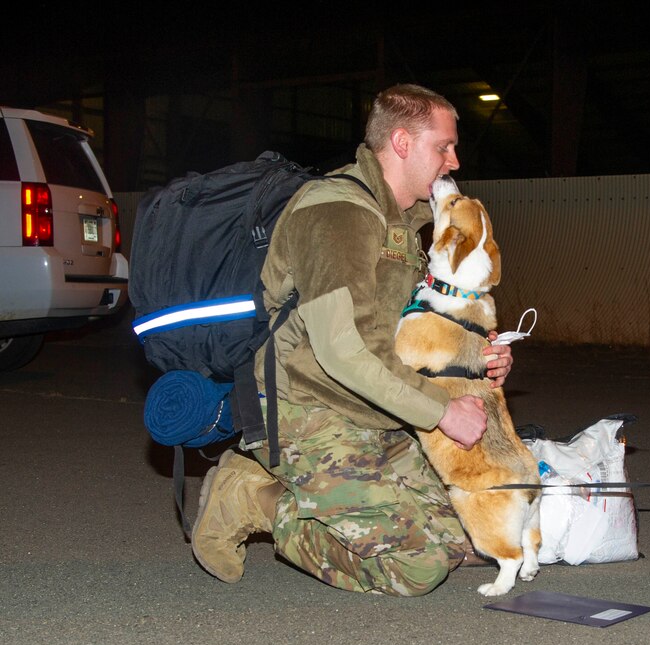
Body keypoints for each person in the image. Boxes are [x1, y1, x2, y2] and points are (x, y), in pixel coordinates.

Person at [190, 84, 513, 596]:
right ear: (403, 142)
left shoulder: (405, 224)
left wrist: (480, 359)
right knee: (417, 568)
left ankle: (321, 497)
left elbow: (409, 334)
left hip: (373, 407)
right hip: (307, 407)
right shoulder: (337, 214)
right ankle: (252, 497)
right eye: (443, 146)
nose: (453, 159)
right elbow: (341, 352)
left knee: (459, 541)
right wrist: (442, 411)